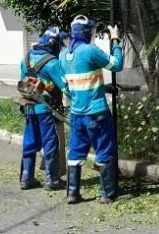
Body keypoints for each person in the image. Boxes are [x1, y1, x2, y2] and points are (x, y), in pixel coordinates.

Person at [60, 15, 123, 204]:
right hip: (97, 113)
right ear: (87, 32)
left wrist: (101, 88)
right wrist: (115, 39)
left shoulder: (64, 55)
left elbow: (71, 86)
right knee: (104, 150)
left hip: (77, 114)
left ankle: (72, 193)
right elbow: (117, 65)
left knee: (75, 153)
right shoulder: (89, 50)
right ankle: (107, 194)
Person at [18, 27, 69, 191]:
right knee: (50, 143)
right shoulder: (52, 63)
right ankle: (52, 180)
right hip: (46, 109)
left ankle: (26, 178)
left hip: (29, 107)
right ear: (54, 44)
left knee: (29, 142)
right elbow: (66, 87)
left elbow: (22, 83)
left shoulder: (26, 59)